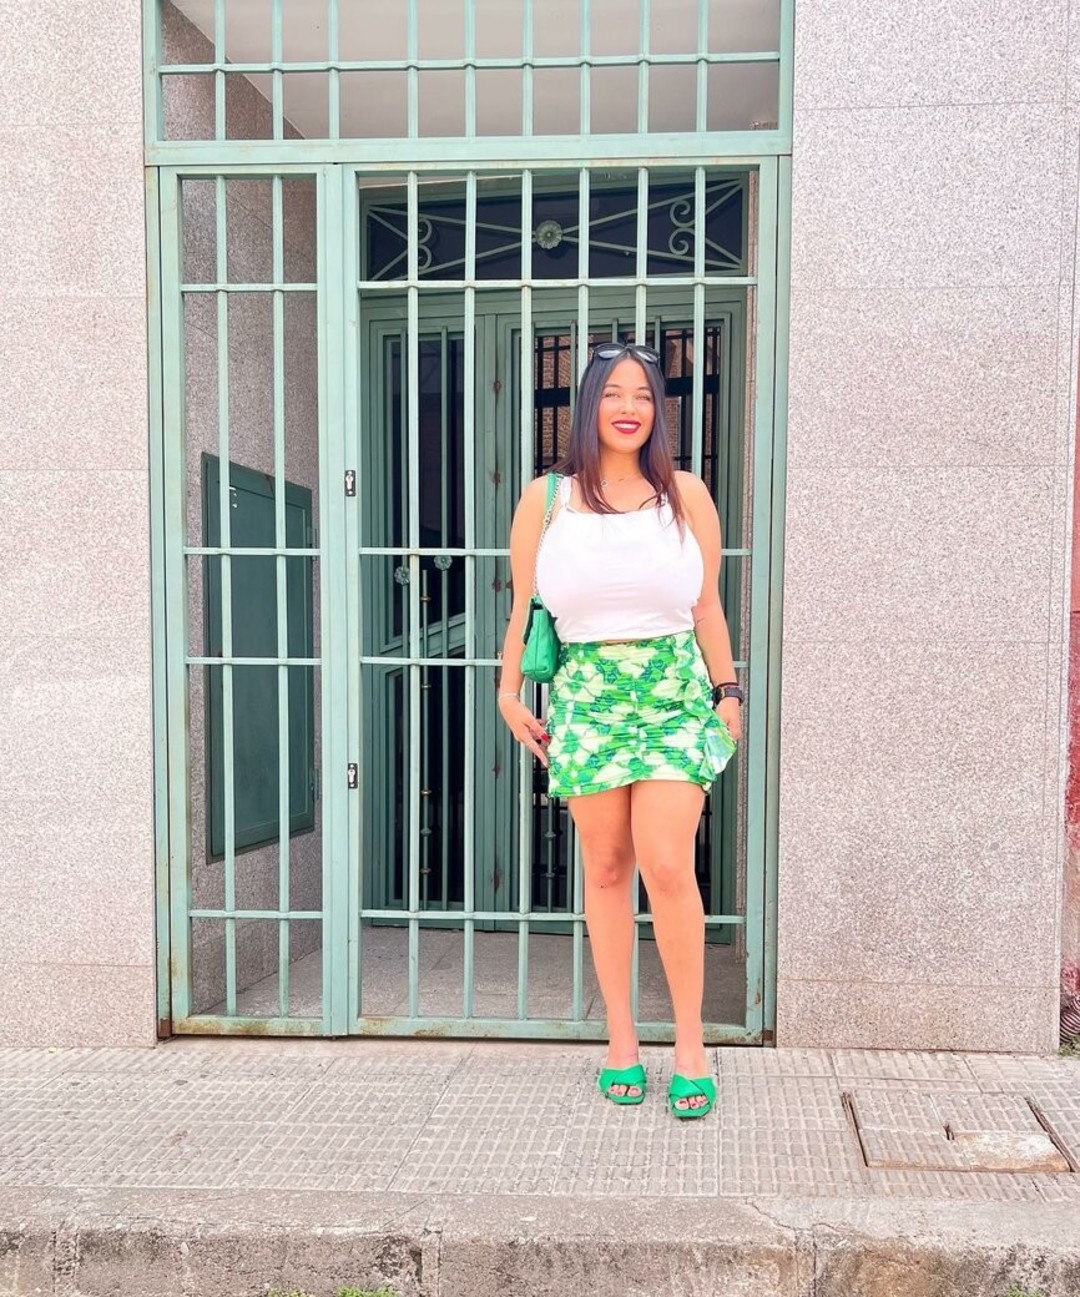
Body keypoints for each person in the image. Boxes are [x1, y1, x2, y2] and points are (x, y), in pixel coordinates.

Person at [497, 341, 743, 1119]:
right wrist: (507, 690)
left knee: (667, 863)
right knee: (605, 868)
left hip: (673, 694)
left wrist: (728, 691)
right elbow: (523, 607)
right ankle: (622, 1040)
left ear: (657, 410)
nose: (628, 407)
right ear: (589, 406)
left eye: (642, 394)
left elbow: (707, 606)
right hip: (585, 695)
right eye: (612, 393)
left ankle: (691, 1045)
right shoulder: (547, 500)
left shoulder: (687, 496)